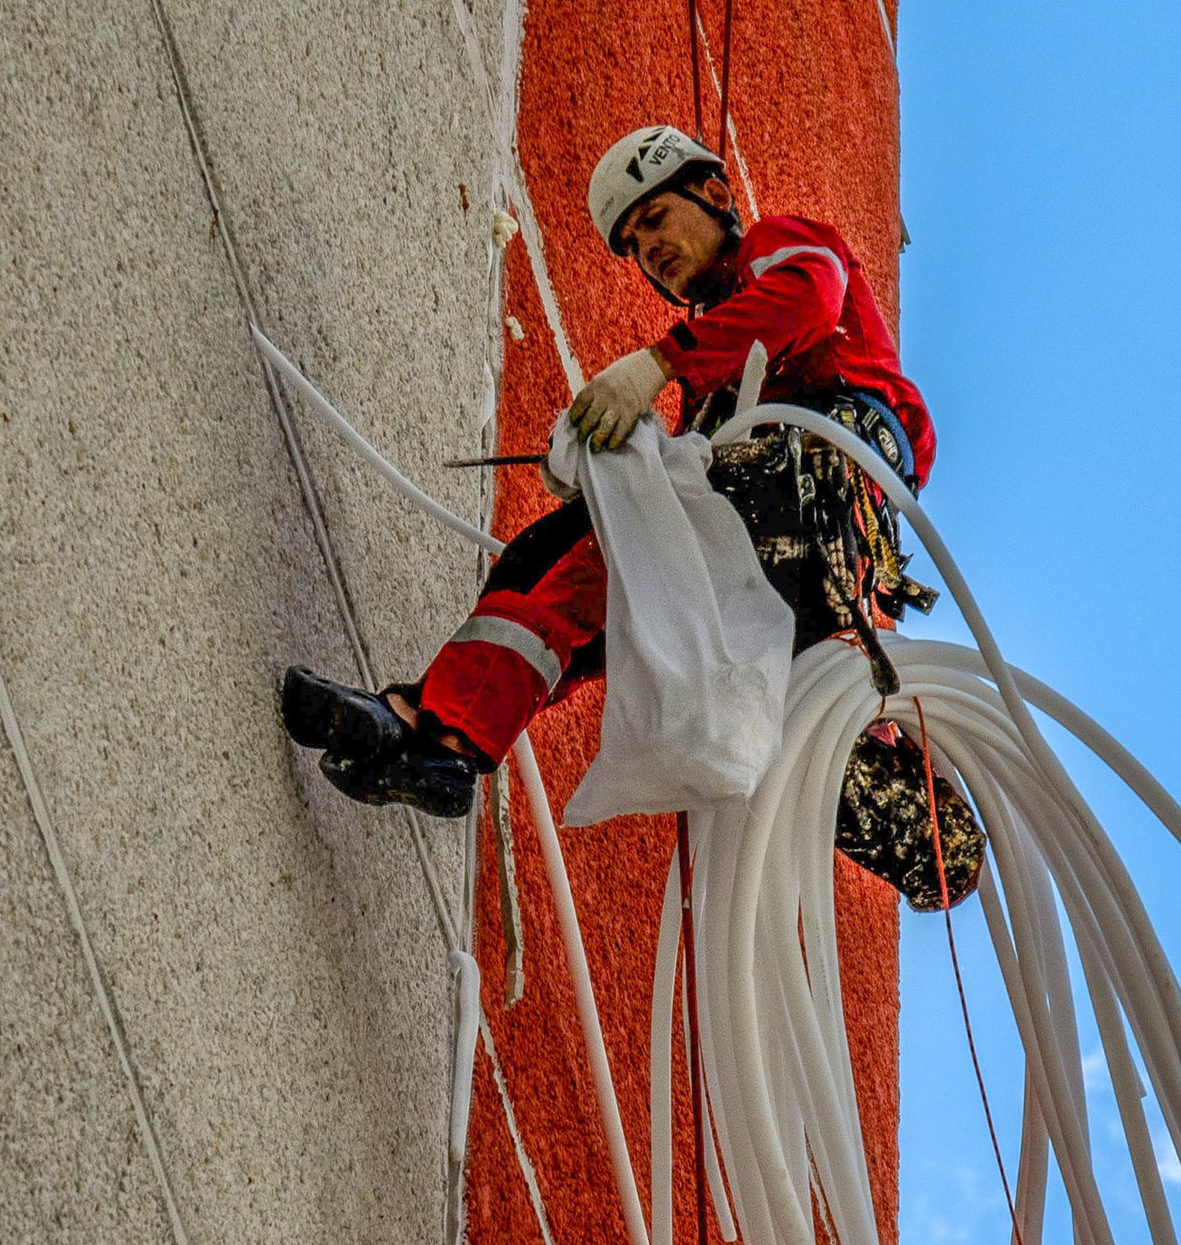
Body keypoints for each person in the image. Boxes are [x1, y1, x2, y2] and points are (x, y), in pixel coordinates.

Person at [281, 123, 984, 906]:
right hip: (773, 544)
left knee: (610, 561)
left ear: (714, 193)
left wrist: (656, 366)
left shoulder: (775, 252)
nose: (649, 251)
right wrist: (608, 475)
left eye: (653, 220)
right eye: (632, 245)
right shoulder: (713, 399)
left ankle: (435, 729)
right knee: (560, 576)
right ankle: (433, 736)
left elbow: (807, 298)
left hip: (822, 482)